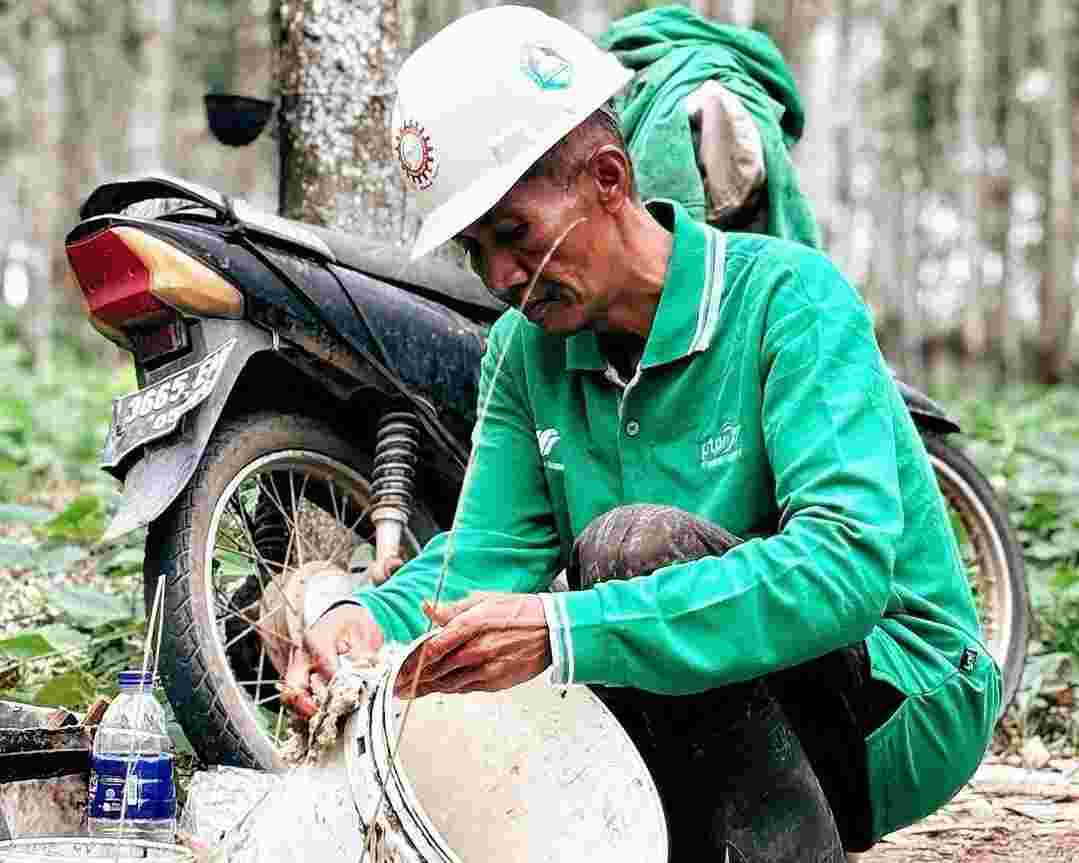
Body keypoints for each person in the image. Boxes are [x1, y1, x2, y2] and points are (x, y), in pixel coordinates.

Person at [282, 7, 1000, 861]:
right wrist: (361, 618)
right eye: (475, 251)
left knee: (628, 550)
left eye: (515, 235)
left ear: (610, 177)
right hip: (706, 679)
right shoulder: (523, 351)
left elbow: (843, 569)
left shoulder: (788, 300)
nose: (502, 277)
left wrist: (562, 631)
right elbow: (475, 566)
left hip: (896, 695)